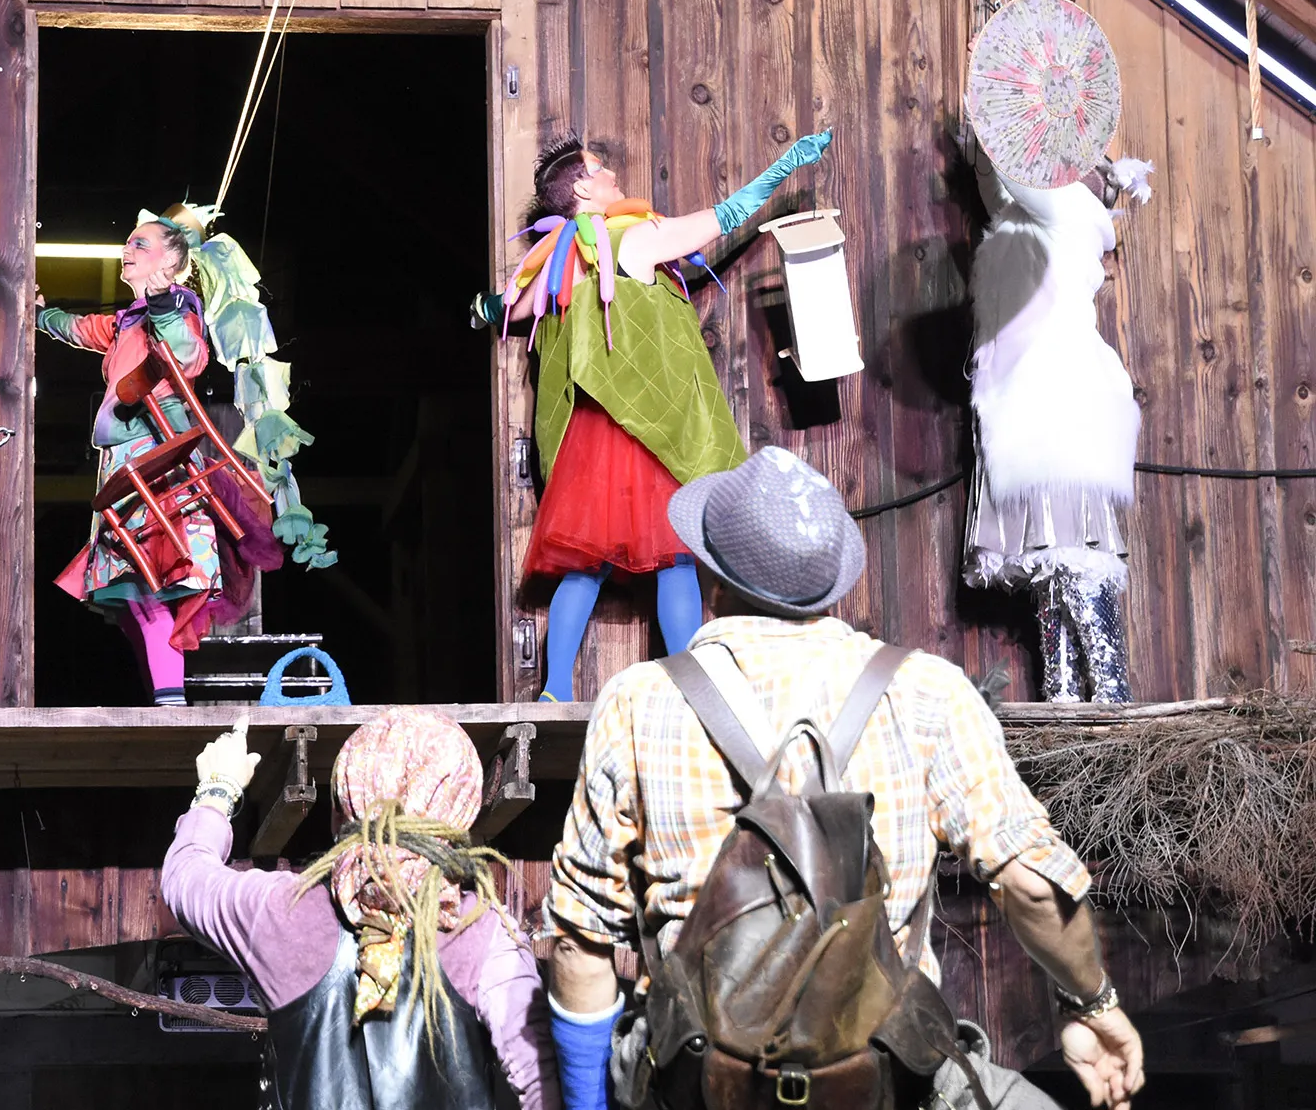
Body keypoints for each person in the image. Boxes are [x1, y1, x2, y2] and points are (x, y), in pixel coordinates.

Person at [544, 446, 1146, 1110]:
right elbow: (1032, 884)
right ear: (833, 584)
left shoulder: (639, 701)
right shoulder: (927, 692)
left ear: (712, 576)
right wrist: (1094, 1004)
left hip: (702, 1085)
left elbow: (578, 941)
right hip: (883, 1083)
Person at [473, 134, 829, 701]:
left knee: (585, 567)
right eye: (599, 169)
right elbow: (726, 215)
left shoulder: (562, 259)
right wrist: (787, 163)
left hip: (590, 433)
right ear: (582, 189)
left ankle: (555, 689)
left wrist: (481, 307)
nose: (612, 174)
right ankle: (692, 687)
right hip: (647, 429)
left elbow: (506, 308)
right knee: (676, 560)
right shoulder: (632, 239)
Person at [162, 706, 558, 1108]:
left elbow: (185, 877)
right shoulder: (485, 933)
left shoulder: (284, 911)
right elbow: (544, 1088)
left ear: (339, 814)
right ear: (461, 815)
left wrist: (218, 788)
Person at [37, 203, 330, 706]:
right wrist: (42, 315)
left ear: (170, 263)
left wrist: (163, 308)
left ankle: (169, 700)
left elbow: (190, 355)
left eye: (140, 243)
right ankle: (164, 695)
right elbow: (80, 327)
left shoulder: (178, 307)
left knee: (148, 586)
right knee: (129, 596)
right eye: (127, 242)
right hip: (123, 463)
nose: (127, 250)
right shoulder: (126, 322)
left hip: (156, 461)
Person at [965, 153, 1149, 703]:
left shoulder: (1067, 209)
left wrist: (996, 132)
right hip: (1031, 403)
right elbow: (997, 187)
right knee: (1050, 557)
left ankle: (1111, 693)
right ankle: (1063, 695)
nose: (1064, 165)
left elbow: (1014, 175)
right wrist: (980, 148)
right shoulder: (1032, 220)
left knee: (1073, 550)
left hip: (1060, 402)